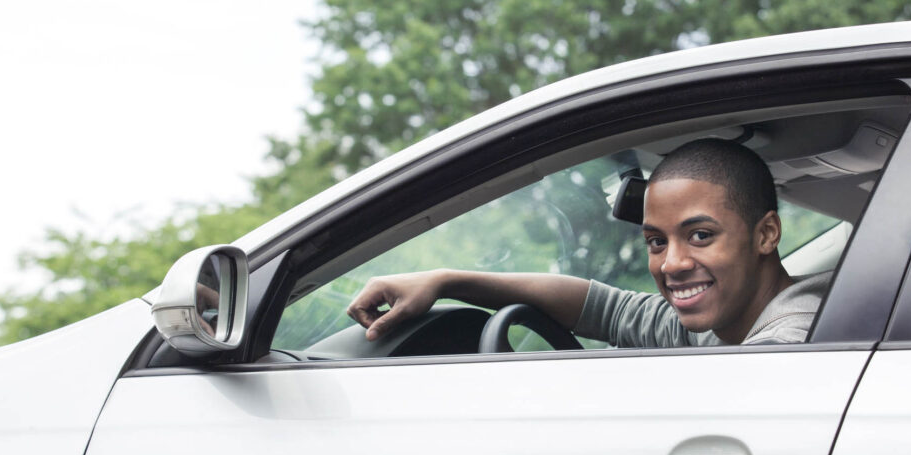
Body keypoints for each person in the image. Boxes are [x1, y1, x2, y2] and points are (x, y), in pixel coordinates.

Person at [347, 138, 829, 347]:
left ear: (766, 234)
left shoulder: (794, 336)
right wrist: (445, 279)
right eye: (656, 242)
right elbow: (603, 308)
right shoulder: (723, 318)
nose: (673, 263)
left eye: (700, 236)